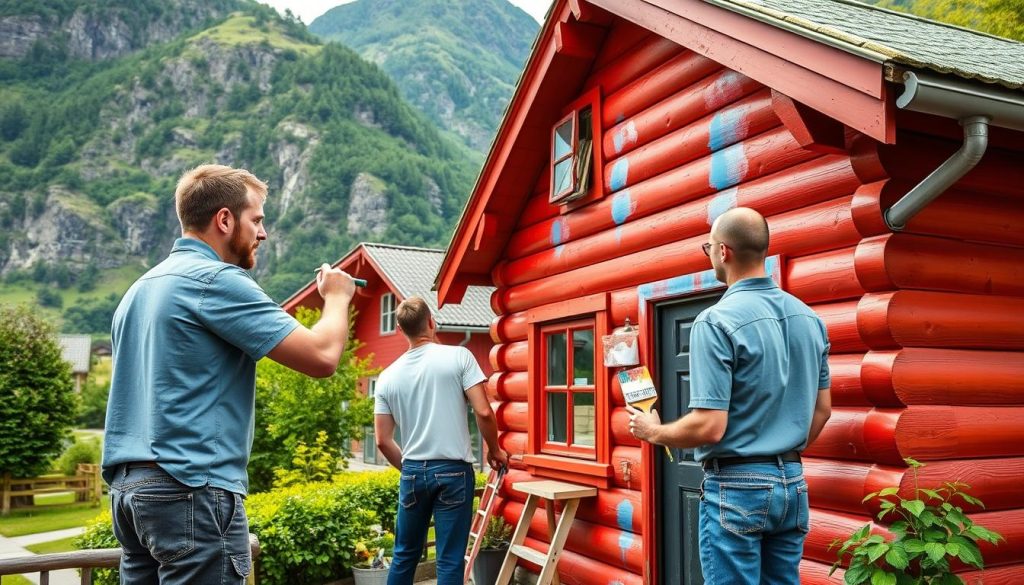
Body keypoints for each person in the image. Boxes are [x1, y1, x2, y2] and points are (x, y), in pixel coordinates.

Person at [102, 164, 357, 585]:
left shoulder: (139, 290)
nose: (263, 233)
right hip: (191, 488)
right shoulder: (216, 281)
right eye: (256, 219)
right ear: (224, 219)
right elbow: (322, 356)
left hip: (130, 492)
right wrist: (336, 296)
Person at [627, 207, 832, 585]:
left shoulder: (715, 320)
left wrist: (652, 431)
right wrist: (780, 452)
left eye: (707, 247)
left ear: (723, 251)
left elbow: (709, 426)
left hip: (738, 486)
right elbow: (822, 411)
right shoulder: (810, 320)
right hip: (793, 482)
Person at [373, 296, 509, 585]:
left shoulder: (386, 377)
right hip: (453, 472)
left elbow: (383, 440)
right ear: (431, 322)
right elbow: (483, 411)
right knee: (449, 559)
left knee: (404, 554)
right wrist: (494, 450)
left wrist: (412, 470)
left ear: (399, 329)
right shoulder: (459, 357)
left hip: (411, 472)